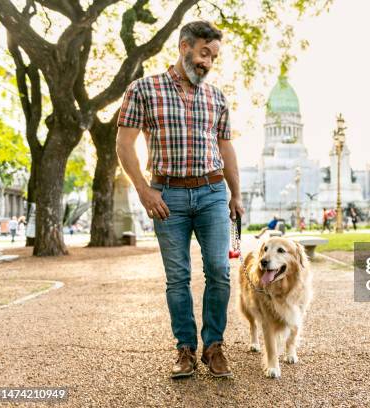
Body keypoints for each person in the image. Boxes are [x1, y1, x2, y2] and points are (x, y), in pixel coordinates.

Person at [116, 21, 243, 379]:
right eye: (204, 53)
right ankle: (185, 348)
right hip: (166, 195)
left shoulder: (216, 97)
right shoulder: (143, 89)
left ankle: (214, 346)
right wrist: (143, 189)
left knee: (219, 271)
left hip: (213, 192)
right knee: (177, 277)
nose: (208, 63)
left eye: (214, 57)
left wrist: (236, 194)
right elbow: (124, 144)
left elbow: (226, 147)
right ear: (184, 47)